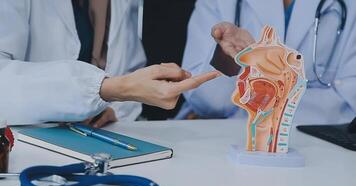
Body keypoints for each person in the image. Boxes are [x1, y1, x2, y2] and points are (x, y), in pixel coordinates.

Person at [0, 1, 221, 125]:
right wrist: (108, 89)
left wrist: (114, 108)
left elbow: (128, 68)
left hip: (98, 140)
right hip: (24, 145)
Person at [179, 0, 356, 125]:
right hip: (226, 143)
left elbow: (348, 103)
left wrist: (248, 109)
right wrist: (228, 59)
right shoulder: (219, 3)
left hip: (319, 146)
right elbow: (204, 101)